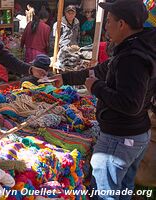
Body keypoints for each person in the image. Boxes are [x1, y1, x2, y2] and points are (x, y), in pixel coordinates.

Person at [53, 0, 156, 199]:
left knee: (105, 194)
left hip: (120, 139)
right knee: (124, 188)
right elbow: (99, 70)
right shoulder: (136, 48)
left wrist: (96, 87)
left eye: (109, 21)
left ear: (122, 24)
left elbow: (130, 104)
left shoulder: (132, 58)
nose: (106, 26)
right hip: (136, 134)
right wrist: (64, 78)